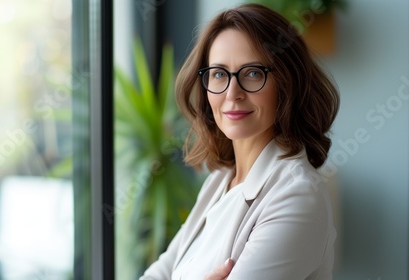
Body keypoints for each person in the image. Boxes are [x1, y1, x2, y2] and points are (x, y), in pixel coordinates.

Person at [140, 3, 339, 280]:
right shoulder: (219, 181)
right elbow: (159, 273)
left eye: (253, 73)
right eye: (219, 74)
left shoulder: (297, 196)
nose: (233, 93)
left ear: (286, 83)